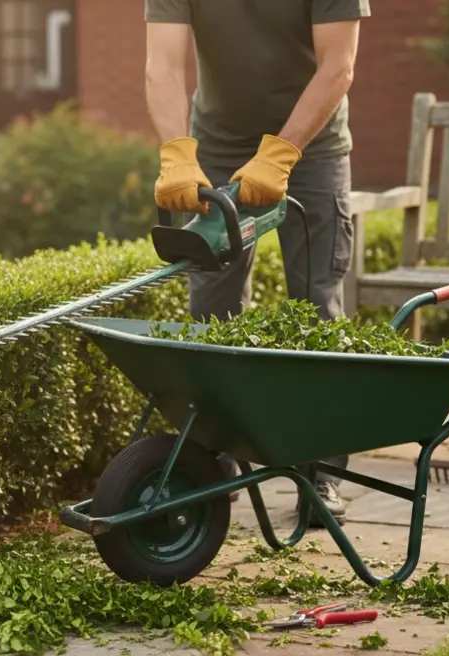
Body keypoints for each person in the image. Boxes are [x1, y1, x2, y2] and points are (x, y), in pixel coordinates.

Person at [144, 0, 369, 522]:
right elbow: (163, 66)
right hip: (219, 149)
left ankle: (321, 474)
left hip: (311, 153)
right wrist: (178, 153)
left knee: (315, 310)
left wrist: (282, 152)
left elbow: (338, 66)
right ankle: (214, 469)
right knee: (211, 315)